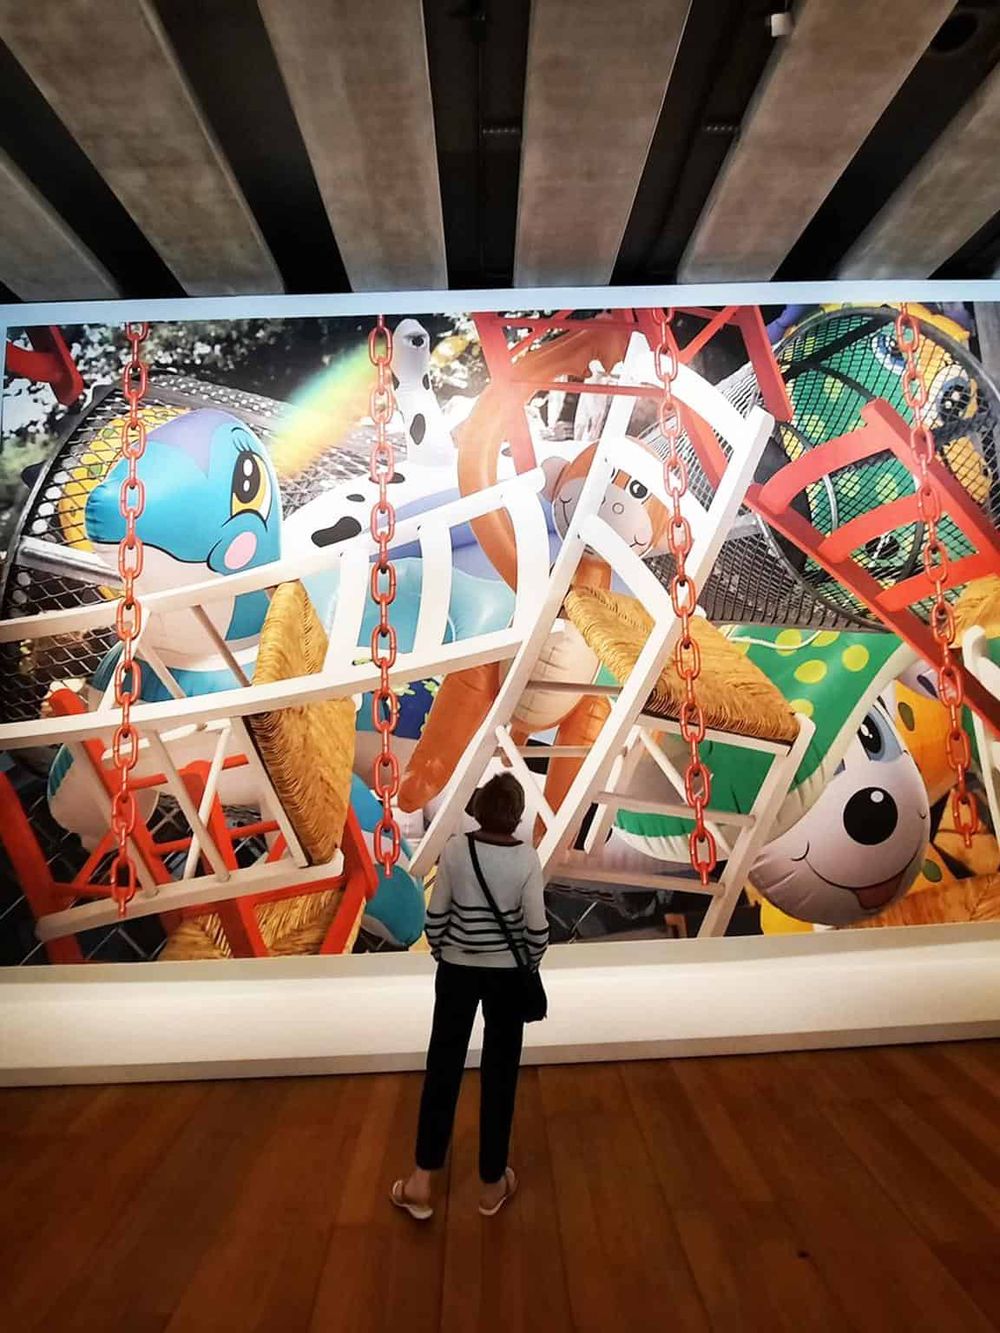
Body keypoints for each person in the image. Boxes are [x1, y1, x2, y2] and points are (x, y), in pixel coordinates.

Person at [390, 772, 548, 1219]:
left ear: (478, 810)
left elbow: (436, 914)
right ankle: (491, 1183)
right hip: (506, 978)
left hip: (457, 971)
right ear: (515, 817)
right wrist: (528, 963)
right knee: (500, 1076)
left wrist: (445, 950)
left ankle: (421, 1183)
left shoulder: (457, 850)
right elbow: (535, 929)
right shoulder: (526, 861)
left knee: (442, 1070)